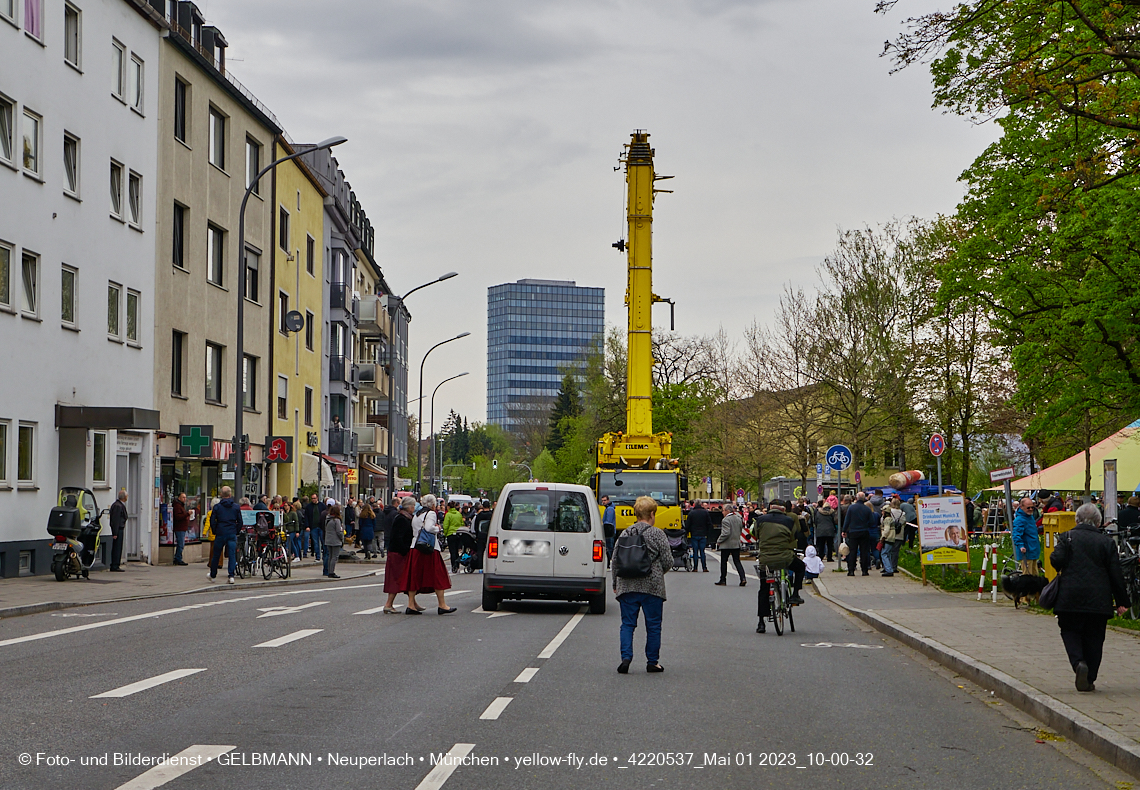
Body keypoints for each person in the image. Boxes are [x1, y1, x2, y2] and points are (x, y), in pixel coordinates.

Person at [1050, 503, 1130, 692]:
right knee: (1095, 638)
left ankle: (1078, 664)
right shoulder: (1106, 543)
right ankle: (1090, 678)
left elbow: (1056, 560)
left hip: (1069, 597)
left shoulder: (1067, 537)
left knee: (1070, 631)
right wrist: (1122, 602)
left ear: (1076, 520)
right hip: (1098, 599)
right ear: (1098, 522)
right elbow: (1115, 574)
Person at [613, 496, 672, 674]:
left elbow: (615, 560)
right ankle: (652, 662)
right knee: (653, 625)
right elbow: (668, 560)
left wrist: (616, 583)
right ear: (652, 514)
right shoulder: (657, 534)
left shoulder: (625, 533)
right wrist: (657, 573)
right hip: (652, 586)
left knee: (627, 624)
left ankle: (626, 657)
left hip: (627, 585)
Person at [752, 500, 806, 633]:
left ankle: (761, 623)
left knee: (763, 588)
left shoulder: (760, 520)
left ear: (770, 508)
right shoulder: (789, 521)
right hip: (785, 558)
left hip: (766, 560)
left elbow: (754, 534)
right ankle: (795, 594)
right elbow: (794, 537)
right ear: (783, 509)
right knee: (800, 567)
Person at [406, 494, 456, 615]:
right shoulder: (431, 514)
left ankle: (411, 604)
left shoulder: (417, 515)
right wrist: (438, 528)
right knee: (438, 576)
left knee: (415, 576)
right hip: (429, 549)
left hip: (415, 547)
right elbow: (429, 528)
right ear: (433, 504)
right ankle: (442, 605)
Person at [382, 497, 417, 613]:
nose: (414, 508)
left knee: (404, 578)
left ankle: (412, 603)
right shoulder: (402, 519)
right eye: (413, 506)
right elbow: (398, 537)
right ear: (410, 507)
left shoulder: (403, 517)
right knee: (396, 578)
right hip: (398, 553)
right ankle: (389, 604)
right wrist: (405, 550)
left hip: (398, 551)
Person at [207, 486, 241, 584]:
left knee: (216, 555)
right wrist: (236, 531)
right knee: (231, 555)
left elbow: (212, 521)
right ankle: (231, 576)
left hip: (220, 533)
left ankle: (213, 575)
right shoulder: (236, 507)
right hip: (231, 532)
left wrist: (215, 530)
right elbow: (240, 521)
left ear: (221, 494)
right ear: (230, 495)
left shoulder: (217, 507)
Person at [842, 492, 875, 576]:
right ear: (864, 499)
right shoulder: (867, 509)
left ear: (856, 498)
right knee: (864, 551)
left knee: (853, 551)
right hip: (864, 532)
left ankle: (851, 570)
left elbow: (847, 520)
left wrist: (844, 530)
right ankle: (864, 570)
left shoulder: (851, 508)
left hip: (853, 532)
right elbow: (872, 522)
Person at [714, 503, 747, 587]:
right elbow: (740, 530)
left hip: (727, 544)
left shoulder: (725, 520)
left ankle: (723, 579)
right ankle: (743, 578)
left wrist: (719, 540)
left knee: (724, 562)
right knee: (737, 561)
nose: (722, 512)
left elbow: (726, 533)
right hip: (736, 543)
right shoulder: (738, 518)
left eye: (723, 510)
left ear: (727, 511)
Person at [1012, 497, 1041, 575]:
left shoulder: (1030, 517)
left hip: (1033, 550)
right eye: (1028, 507)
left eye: (1032, 507)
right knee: (1027, 576)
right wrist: (1021, 546)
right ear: (1021, 507)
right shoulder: (1019, 520)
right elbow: (1016, 534)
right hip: (1026, 551)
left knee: (1035, 575)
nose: (1031, 509)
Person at [879, 496, 906, 577]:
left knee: (887, 552)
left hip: (889, 535)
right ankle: (894, 567)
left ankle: (887, 567)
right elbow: (904, 523)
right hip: (899, 534)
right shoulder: (902, 513)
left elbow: (882, 522)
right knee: (895, 552)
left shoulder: (889, 513)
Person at [685, 499, 711, 573]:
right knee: (702, 551)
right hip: (703, 534)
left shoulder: (691, 513)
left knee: (695, 552)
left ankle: (695, 567)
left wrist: (687, 532)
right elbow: (709, 523)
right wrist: (707, 532)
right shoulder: (705, 513)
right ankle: (704, 567)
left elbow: (688, 524)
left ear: (694, 504)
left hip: (694, 534)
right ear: (701, 504)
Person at [442, 501, 465, 573]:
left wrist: (445, 534)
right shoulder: (459, 514)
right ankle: (457, 564)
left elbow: (445, 525)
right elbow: (462, 523)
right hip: (458, 534)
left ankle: (454, 565)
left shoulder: (448, 515)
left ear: (448, 507)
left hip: (450, 534)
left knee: (452, 551)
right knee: (457, 550)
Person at [108, 489, 128, 572]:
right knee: (117, 547)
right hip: (118, 529)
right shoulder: (117, 506)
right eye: (127, 496)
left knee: (119, 547)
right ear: (124, 497)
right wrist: (115, 532)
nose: (127, 497)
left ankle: (116, 564)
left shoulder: (119, 505)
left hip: (119, 528)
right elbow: (115, 520)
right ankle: (115, 565)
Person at [324, 504, 345, 579]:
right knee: (334, 557)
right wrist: (342, 538)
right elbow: (339, 531)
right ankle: (331, 572)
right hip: (335, 540)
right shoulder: (337, 520)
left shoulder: (327, 519)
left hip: (328, 540)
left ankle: (329, 571)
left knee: (330, 556)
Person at [472, 500, 493, 572]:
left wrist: (477, 536)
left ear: (483, 507)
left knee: (480, 551)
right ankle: (490, 567)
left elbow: (476, 526)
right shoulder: (492, 515)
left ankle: (481, 567)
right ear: (489, 507)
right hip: (490, 535)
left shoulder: (479, 515)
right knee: (490, 552)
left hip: (481, 536)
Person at [172, 492, 190, 566]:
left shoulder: (181, 506)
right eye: (183, 497)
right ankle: (178, 558)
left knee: (181, 543)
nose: (185, 499)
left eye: (185, 497)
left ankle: (178, 558)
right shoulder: (177, 506)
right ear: (179, 498)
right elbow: (178, 517)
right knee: (180, 544)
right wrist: (187, 514)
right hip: (179, 528)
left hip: (182, 527)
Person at [304, 494, 323, 562]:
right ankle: (317, 556)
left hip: (321, 527)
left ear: (317, 498)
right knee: (315, 542)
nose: (313, 500)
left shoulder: (322, 505)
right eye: (312, 498)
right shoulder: (309, 507)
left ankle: (324, 556)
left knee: (323, 542)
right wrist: (307, 526)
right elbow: (306, 517)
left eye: (314, 498)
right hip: (313, 527)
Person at [601, 495, 617, 566]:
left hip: (609, 532)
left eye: (604, 500)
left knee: (609, 547)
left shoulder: (610, 509)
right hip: (609, 531)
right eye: (602, 501)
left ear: (608, 500)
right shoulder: (608, 508)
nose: (603, 502)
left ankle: (609, 562)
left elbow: (608, 522)